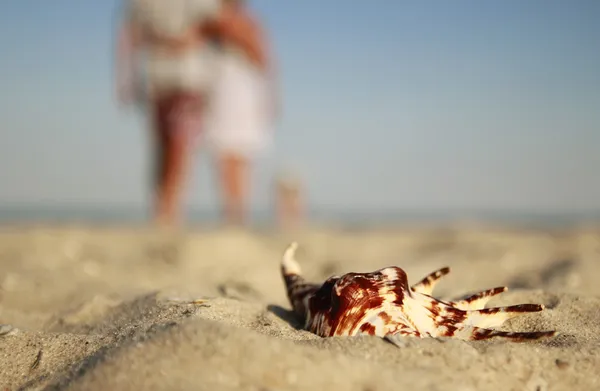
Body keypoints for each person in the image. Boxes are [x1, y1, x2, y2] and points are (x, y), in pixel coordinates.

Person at [114, 0, 264, 226]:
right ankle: (164, 209)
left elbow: (220, 24)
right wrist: (127, 74)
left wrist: (183, 41)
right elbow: (130, 34)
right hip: (158, 76)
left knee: (179, 144)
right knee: (164, 146)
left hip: (189, 77)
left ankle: (168, 211)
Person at [202, 0, 279, 225]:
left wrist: (234, 34)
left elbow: (263, 58)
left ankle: (237, 214)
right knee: (225, 156)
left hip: (239, 91)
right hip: (220, 89)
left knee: (237, 156)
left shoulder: (246, 23)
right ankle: (233, 213)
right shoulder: (211, 23)